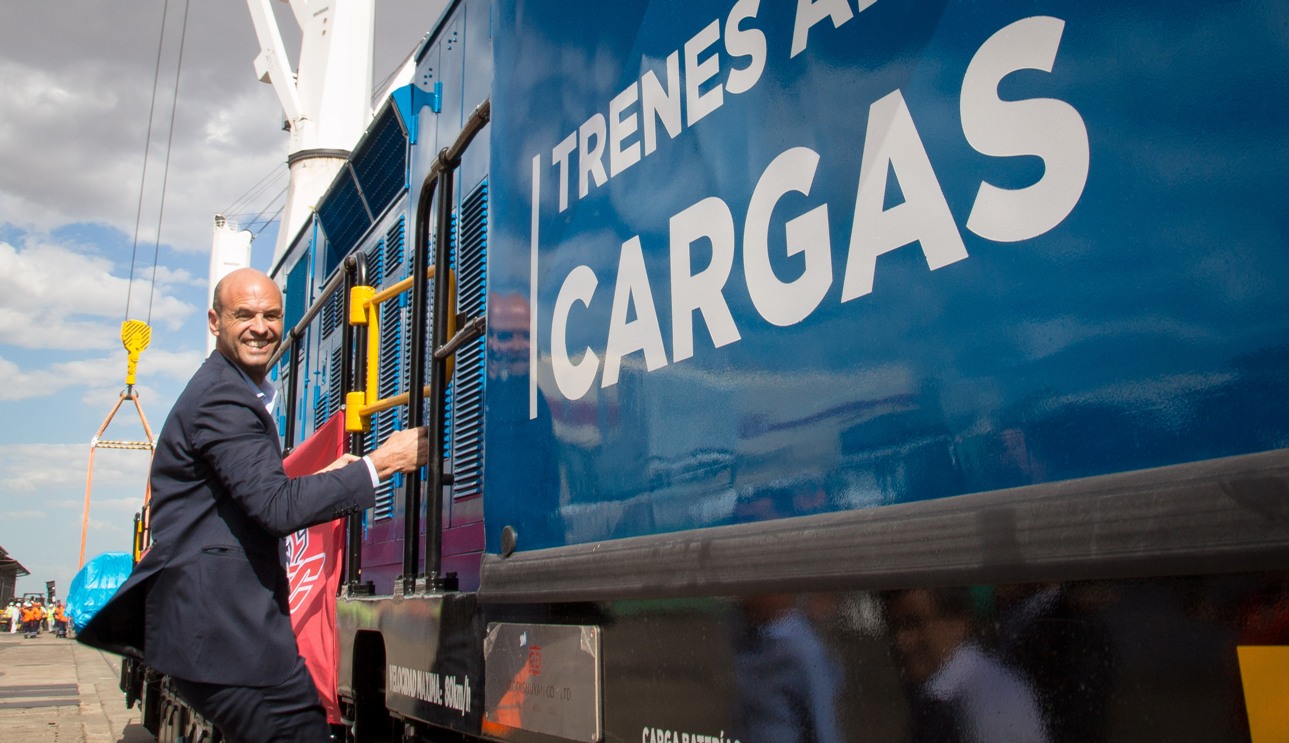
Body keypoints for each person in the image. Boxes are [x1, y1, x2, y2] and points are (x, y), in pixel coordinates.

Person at [77, 268, 428, 742]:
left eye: (271, 315)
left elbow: (238, 500)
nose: (260, 327)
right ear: (214, 320)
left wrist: (323, 476)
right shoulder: (224, 397)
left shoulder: (227, 389)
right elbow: (274, 508)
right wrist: (382, 462)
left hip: (225, 637)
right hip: (228, 639)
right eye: (243, 314)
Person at [883, 588, 1048, 743]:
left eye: (913, 624)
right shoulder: (937, 699)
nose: (900, 642)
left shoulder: (985, 701)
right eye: (893, 627)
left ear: (958, 622)